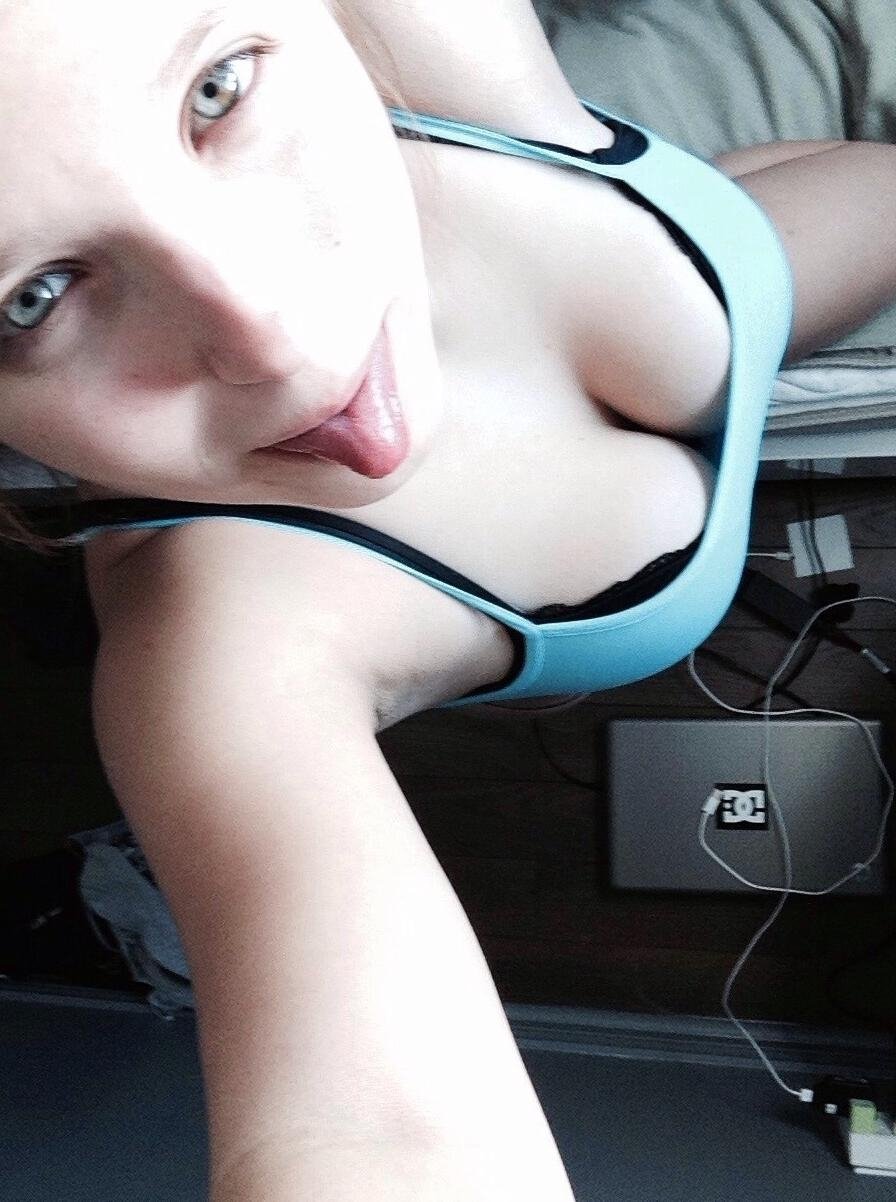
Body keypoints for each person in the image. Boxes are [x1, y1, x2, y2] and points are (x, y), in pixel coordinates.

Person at [2, 1, 895, 1198]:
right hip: (718, 258)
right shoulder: (226, 635)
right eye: (32, 295)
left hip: (730, 214)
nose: (276, 338)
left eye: (217, 91)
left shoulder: (421, 37)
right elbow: (379, 1137)